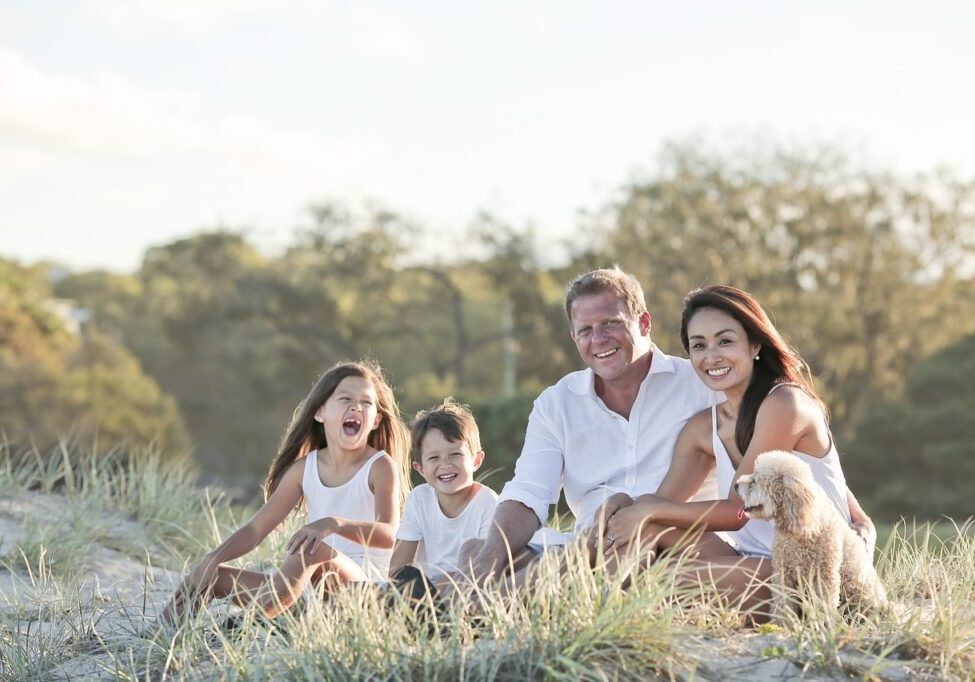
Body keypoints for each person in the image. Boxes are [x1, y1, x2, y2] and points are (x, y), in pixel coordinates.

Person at [599, 285, 876, 612]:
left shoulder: (784, 403)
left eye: (725, 341)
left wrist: (647, 509)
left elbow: (738, 511)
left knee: (661, 578)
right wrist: (631, 506)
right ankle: (594, 599)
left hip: (809, 570)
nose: (712, 357)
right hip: (751, 559)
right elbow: (664, 506)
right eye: (699, 345)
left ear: (755, 345)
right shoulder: (703, 428)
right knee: (647, 528)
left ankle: (607, 604)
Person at [468, 266, 720, 582]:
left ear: (644, 323)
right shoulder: (556, 403)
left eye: (611, 324)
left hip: (673, 542)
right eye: (585, 330)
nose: (598, 339)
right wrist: (487, 560)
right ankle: (443, 604)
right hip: (587, 547)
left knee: (614, 552)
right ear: (574, 337)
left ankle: (485, 603)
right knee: (477, 552)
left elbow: (740, 501)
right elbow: (529, 493)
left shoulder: (702, 386)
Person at [161, 360, 410, 624]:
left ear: (375, 421)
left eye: (366, 402)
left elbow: (388, 534)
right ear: (320, 412)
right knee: (211, 575)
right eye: (345, 398)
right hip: (302, 592)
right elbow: (255, 530)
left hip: (361, 589)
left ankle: (245, 626)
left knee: (309, 549)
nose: (356, 407)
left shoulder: (379, 466)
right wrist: (212, 559)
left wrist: (334, 524)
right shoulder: (304, 469)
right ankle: (157, 639)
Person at [388, 398, 498, 584]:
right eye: (434, 458)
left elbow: (486, 568)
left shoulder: (487, 503)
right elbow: (398, 567)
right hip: (425, 594)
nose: (445, 465)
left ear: (476, 460)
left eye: (455, 454)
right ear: (420, 468)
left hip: (467, 589)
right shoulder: (420, 499)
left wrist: (443, 586)